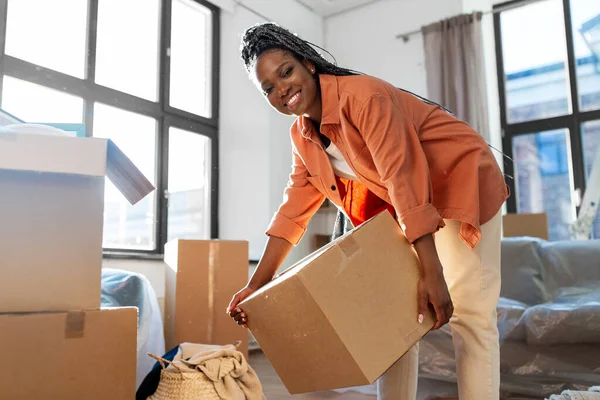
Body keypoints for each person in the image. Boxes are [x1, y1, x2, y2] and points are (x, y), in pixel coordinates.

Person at [227, 22, 509, 400]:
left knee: (470, 317)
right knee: (394, 323)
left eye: (286, 72)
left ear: (308, 64)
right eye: (268, 88)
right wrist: (256, 284)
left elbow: (403, 178)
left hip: (459, 182)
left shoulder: (364, 98)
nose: (282, 90)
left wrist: (433, 271)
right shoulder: (302, 136)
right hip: (410, 206)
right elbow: (294, 209)